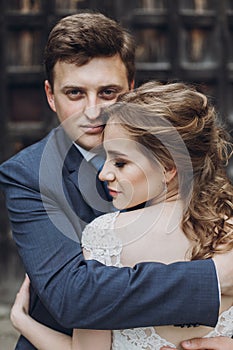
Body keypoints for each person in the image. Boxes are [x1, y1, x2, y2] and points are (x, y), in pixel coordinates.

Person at [0, 11, 233, 350]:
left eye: (108, 92)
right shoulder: (28, 174)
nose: (93, 111)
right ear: (51, 96)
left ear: (131, 89)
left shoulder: (175, 149)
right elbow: (72, 296)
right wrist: (215, 278)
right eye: (75, 94)